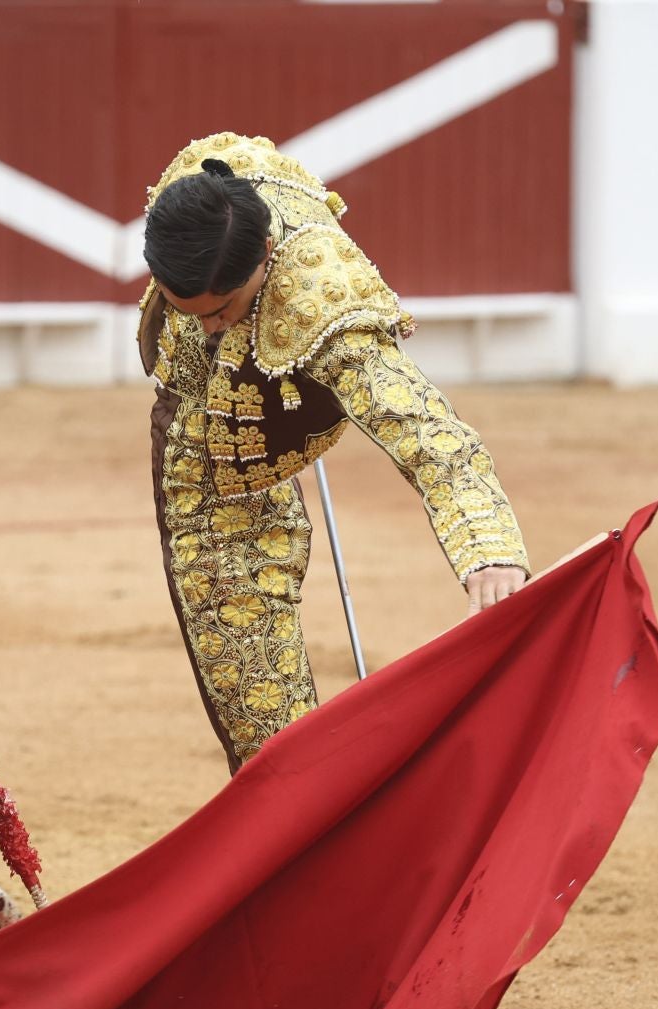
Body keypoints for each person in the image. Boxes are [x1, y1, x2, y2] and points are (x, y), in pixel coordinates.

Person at [139, 132, 530, 772]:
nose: (208, 327)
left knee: (275, 749)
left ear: (266, 255)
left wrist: (489, 548)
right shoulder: (194, 200)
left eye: (223, 310)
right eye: (191, 312)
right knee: (261, 720)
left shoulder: (324, 298)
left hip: (287, 412)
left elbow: (429, 434)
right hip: (206, 462)